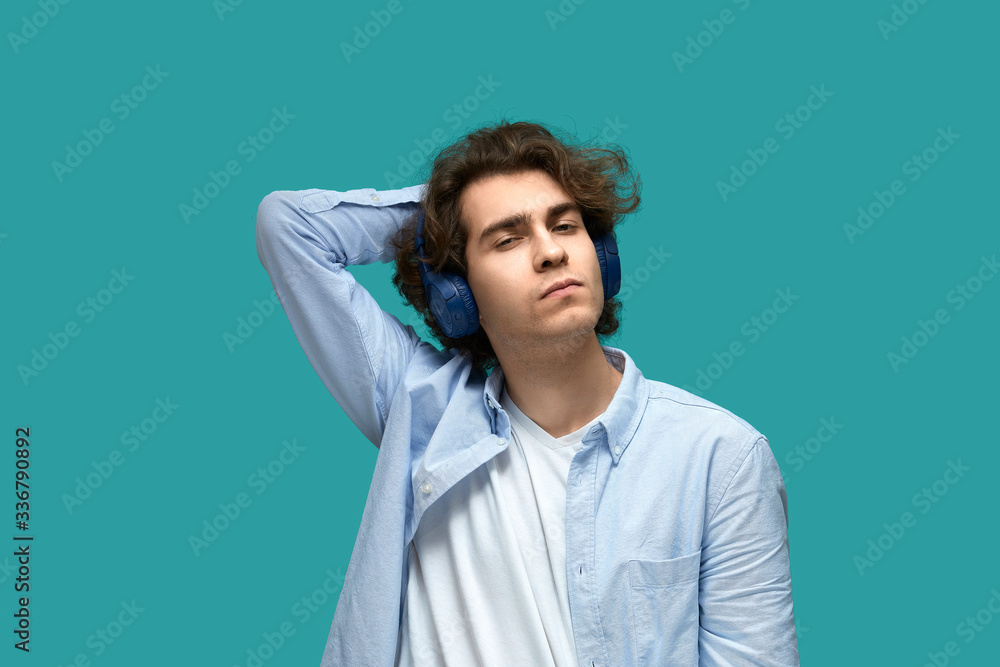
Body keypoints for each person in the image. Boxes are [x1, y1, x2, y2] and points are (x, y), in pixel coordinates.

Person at [255, 119, 799, 666]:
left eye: (565, 226)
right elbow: (289, 227)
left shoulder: (721, 458)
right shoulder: (421, 410)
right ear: (456, 293)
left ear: (601, 255)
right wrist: (445, 211)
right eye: (508, 239)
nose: (550, 252)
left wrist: (497, 208)